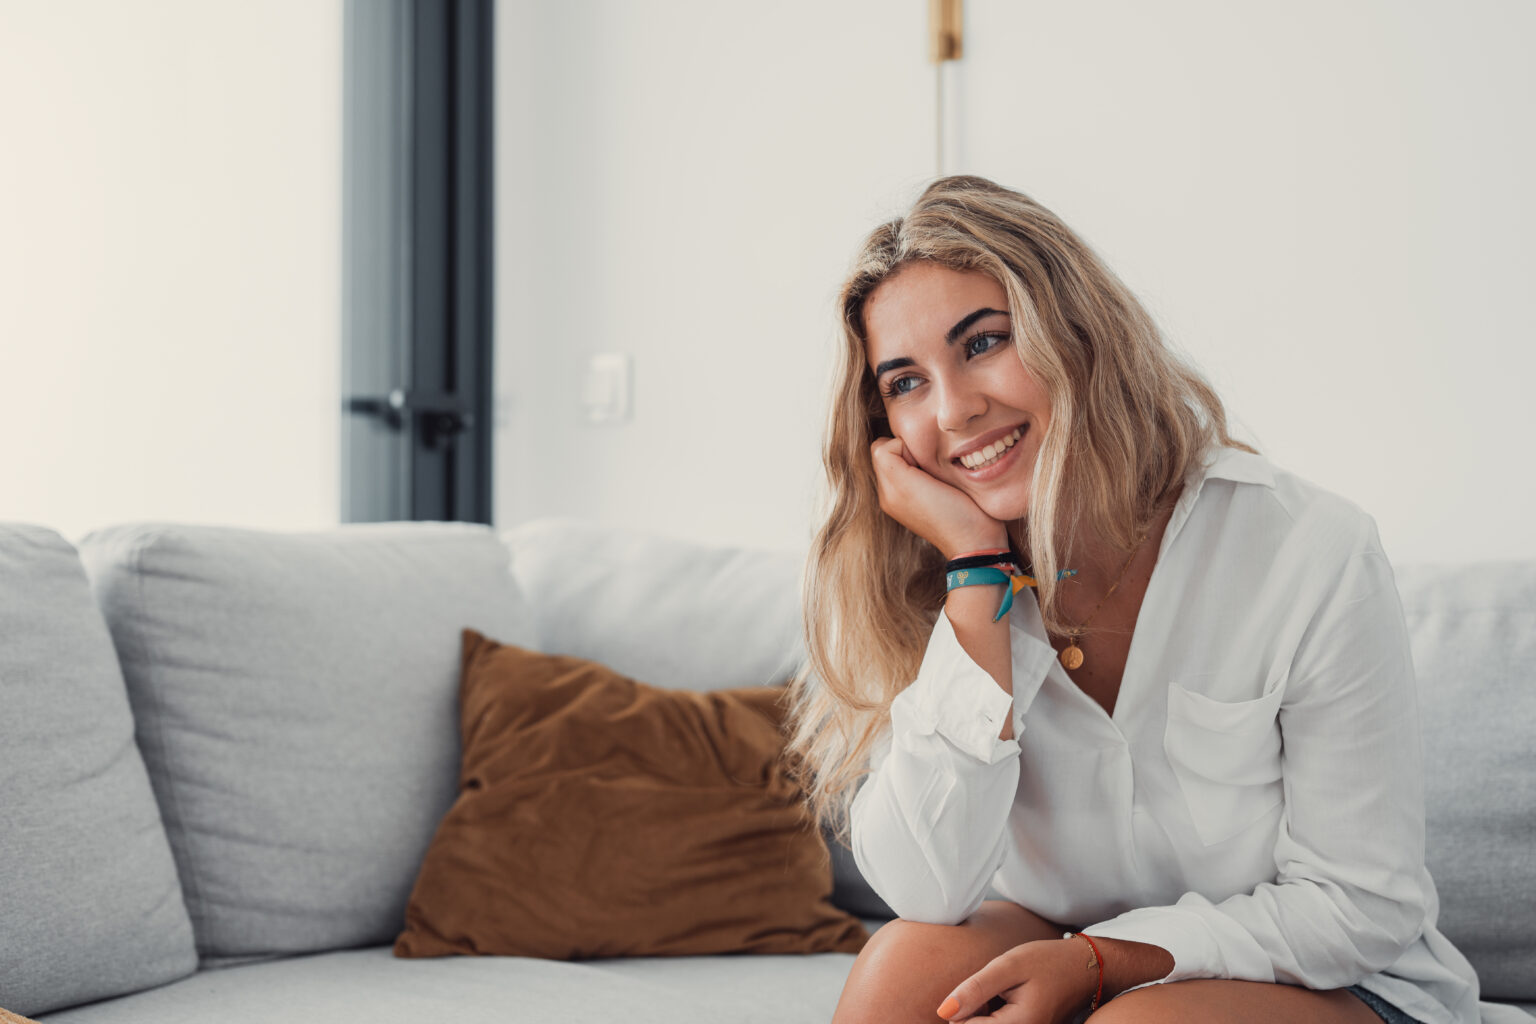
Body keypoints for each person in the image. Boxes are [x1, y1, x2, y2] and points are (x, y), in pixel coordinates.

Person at [786, 175, 1497, 1024]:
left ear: (1075, 333)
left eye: (983, 343)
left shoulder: (1308, 551)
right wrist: (975, 579)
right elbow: (921, 890)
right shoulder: (931, 581)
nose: (955, 410)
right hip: (1064, 935)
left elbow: (1358, 908)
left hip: (1332, 981)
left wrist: (1101, 964)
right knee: (899, 972)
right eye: (905, 383)